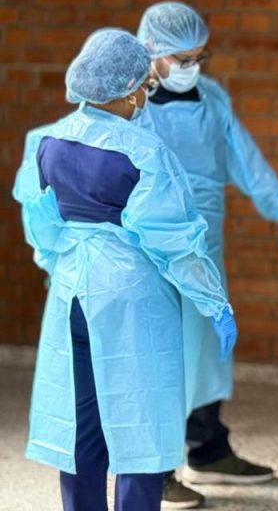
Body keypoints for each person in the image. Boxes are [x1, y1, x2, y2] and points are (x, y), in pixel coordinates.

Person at [12, 28, 236, 511]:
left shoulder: (49, 141)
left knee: (81, 419)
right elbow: (175, 241)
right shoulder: (144, 151)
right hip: (131, 296)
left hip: (71, 292)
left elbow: (40, 221)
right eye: (145, 88)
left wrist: (56, 264)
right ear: (133, 90)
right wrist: (214, 302)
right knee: (142, 416)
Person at [135, 1, 278, 508]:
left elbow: (244, 157)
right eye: (182, 58)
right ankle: (155, 471)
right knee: (162, 356)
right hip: (152, 246)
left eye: (200, 57)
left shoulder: (212, 97)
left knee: (207, 348)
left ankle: (209, 448)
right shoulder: (131, 103)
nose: (192, 67)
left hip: (205, 242)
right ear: (150, 51)